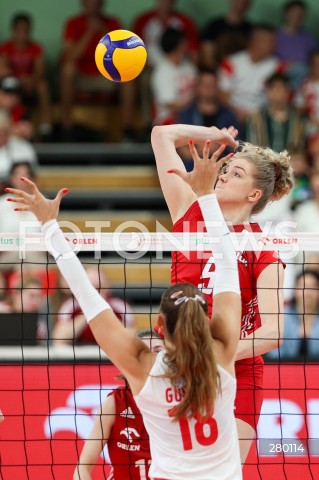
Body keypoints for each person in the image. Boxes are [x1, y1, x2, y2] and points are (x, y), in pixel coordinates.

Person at [7, 148, 243, 479]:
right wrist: (205, 194)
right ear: (207, 322)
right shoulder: (222, 355)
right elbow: (229, 264)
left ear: (160, 326)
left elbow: (88, 297)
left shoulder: (145, 369)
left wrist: (49, 226)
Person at [151, 123, 293, 462]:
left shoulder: (264, 249)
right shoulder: (189, 210)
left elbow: (273, 333)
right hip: (176, 362)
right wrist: (213, 136)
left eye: (235, 172)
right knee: (171, 468)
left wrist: (210, 356)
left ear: (253, 195)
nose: (224, 174)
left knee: (225, 471)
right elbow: (161, 135)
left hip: (237, 370)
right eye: (225, 168)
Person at [73, 330, 164, 480]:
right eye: (145, 353)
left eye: (158, 351)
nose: (152, 359)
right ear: (131, 361)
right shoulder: (114, 404)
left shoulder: (182, 400)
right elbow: (82, 469)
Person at [0, 13, 52, 139]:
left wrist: (30, 81)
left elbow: (40, 72)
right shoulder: (5, 47)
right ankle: (11, 125)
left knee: (42, 86)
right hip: (12, 85)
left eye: (26, 29)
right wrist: (19, 81)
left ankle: (46, 125)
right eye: (20, 29)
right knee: (10, 88)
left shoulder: (36, 48)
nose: (23, 32)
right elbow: (5, 71)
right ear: (13, 30)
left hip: (31, 84)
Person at [53, 265, 136, 345]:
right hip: (79, 355)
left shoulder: (120, 306)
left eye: (98, 287)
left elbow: (132, 338)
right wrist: (88, 311)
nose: (95, 291)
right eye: (91, 287)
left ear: (107, 287)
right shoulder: (71, 306)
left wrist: (104, 313)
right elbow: (59, 339)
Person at [218, 24, 280, 127]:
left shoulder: (277, 66)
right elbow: (222, 94)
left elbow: (279, 96)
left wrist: (256, 115)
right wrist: (237, 111)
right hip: (232, 112)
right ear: (257, 41)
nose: (275, 45)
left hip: (263, 116)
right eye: (271, 41)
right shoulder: (231, 62)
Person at [245, 72, 306, 153]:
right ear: (268, 91)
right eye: (275, 88)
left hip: (292, 162)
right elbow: (252, 147)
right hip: (262, 162)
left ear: (288, 92)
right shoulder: (256, 117)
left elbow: (300, 147)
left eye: (282, 88)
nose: (279, 92)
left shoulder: (298, 117)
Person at [266, 270, 319, 361]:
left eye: (312, 287)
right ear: (295, 289)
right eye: (303, 287)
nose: (307, 293)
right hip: (285, 370)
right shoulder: (282, 317)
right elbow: (273, 353)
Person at [150, 27, 198, 126]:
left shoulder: (189, 66)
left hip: (191, 115)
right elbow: (171, 105)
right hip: (169, 120)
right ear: (178, 45)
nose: (187, 45)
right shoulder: (162, 71)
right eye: (184, 42)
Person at [275, 0, 317, 90]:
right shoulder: (275, 35)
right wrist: (284, 65)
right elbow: (267, 61)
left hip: (304, 80)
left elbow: (314, 60)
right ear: (286, 13)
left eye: (300, 14)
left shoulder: (308, 38)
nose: (297, 16)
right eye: (294, 12)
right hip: (280, 77)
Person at [200, 0, 253, 69]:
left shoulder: (251, 30)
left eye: (246, 1)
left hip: (242, 74)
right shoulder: (213, 26)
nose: (242, 2)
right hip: (217, 72)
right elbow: (207, 58)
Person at [0, 108, 37, 184]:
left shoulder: (24, 147)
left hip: (18, 193)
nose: (2, 137)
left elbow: (35, 179)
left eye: (5, 132)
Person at [0, 75, 34, 140]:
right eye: (8, 93)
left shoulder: (22, 111)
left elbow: (28, 132)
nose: (12, 98)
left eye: (15, 94)